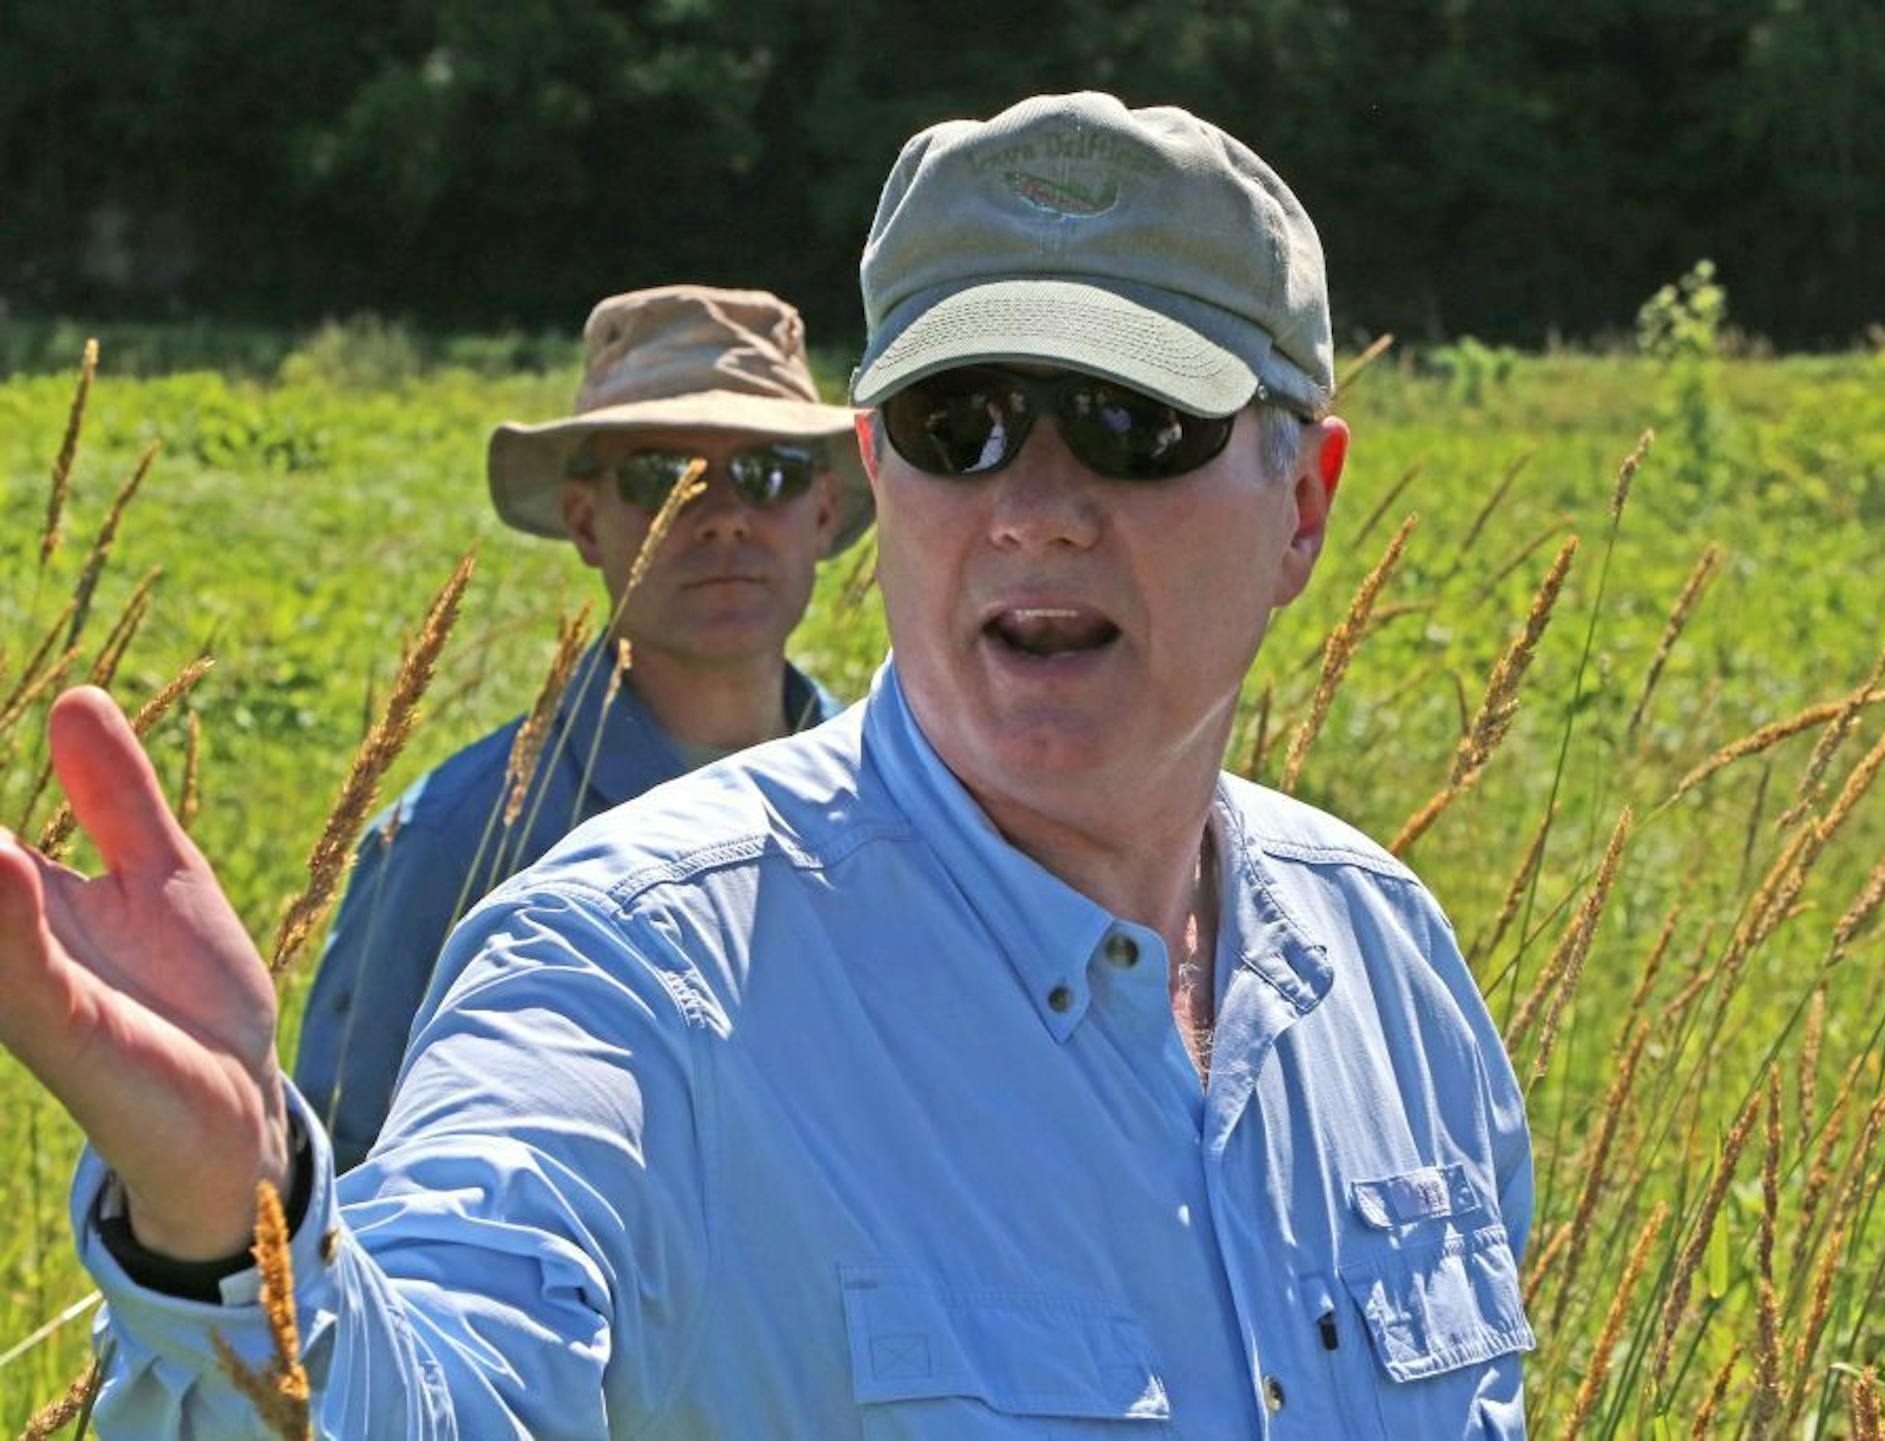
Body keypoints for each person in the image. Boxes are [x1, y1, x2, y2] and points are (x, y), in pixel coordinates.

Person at [0, 92, 1534, 1438]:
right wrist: (229, 1228)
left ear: (1306, 506)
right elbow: (445, 1383)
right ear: (884, 473)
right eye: (964, 421)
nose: (1037, 504)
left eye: (1134, 423)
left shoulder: (1387, 971)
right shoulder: (636, 965)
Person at [292, 284, 869, 1173]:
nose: (721, 514)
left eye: (771, 472)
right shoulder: (455, 841)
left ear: (823, 512)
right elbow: (350, 1175)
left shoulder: (905, 807)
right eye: (662, 477)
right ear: (583, 521)